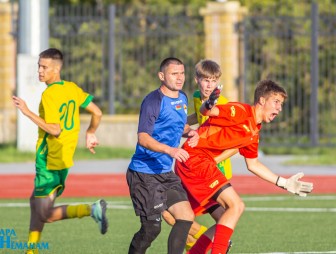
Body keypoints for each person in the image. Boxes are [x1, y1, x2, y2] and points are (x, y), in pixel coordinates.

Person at [174, 79, 314, 254]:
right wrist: (209, 103)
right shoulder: (239, 111)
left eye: (281, 104)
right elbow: (206, 111)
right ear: (262, 100)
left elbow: (253, 164)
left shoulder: (254, 131)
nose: (279, 108)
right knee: (236, 206)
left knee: (226, 216)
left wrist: (284, 183)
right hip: (195, 160)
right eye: (276, 102)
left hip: (199, 163)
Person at [12, 48, 108, 254]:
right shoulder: (71, 88)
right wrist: (90, 132)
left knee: (44, 213)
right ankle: (31, 250)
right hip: (63, 158)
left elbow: (55, 129)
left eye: (44, 67)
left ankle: (91, 209)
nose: (39, 70)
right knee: (35, 202)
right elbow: (97, 111)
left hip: (49, 160)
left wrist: (27, 111)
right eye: (39, 66)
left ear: (56, 69)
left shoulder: (50, 94)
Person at [161, 59, 237, 252]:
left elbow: (236, 145)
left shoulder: (225, 106)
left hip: (214, 173)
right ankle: (210, 241)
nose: (209, 85)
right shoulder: (196, 97)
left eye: (213, 80)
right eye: (205, 80)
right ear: (197, 80)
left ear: (218, 82)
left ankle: (213, 243)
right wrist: (179, 124)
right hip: (197, 171)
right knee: (168, 212)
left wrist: (213, 158)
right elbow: (199, 115)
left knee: (220, 218)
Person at [126, 57, 199, 254]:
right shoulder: (153, 101)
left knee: (185, 217)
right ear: (161, 76)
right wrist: (170, 150)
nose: (179, 78)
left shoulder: (182, 97)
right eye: (174, 74)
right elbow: (143, 138)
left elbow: (177, 124)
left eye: (182, 73)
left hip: (165, 173)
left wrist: (191, 132)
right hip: (143, 174)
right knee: (151, 229)